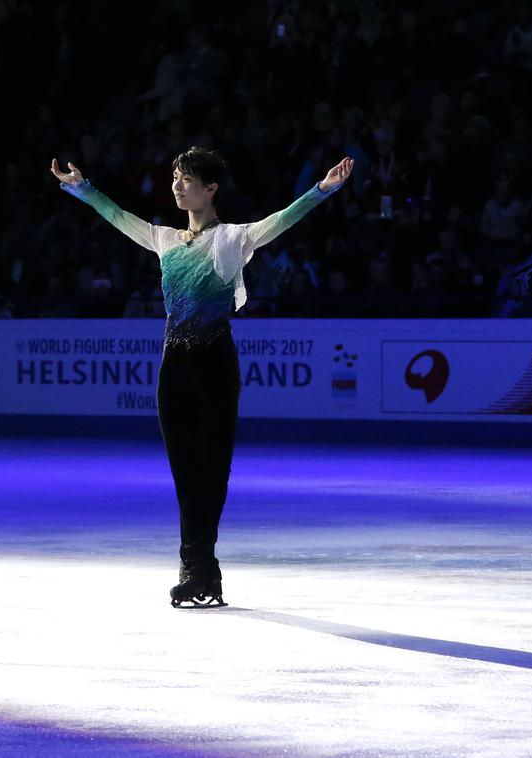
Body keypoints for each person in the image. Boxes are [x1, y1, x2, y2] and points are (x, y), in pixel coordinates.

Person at [51, 146, 353, 607]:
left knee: (212, 471)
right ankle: (199, 570)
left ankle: (197, 568)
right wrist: (81, 187)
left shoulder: (233, 238)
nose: (177, 185)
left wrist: (322, 189)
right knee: (184, 472)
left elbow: (282, 219)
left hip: (215, 362)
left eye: (187, 179)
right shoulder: (165, 240)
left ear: (211, 189)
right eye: (174, 177)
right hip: (173, 366)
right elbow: (117, 216)